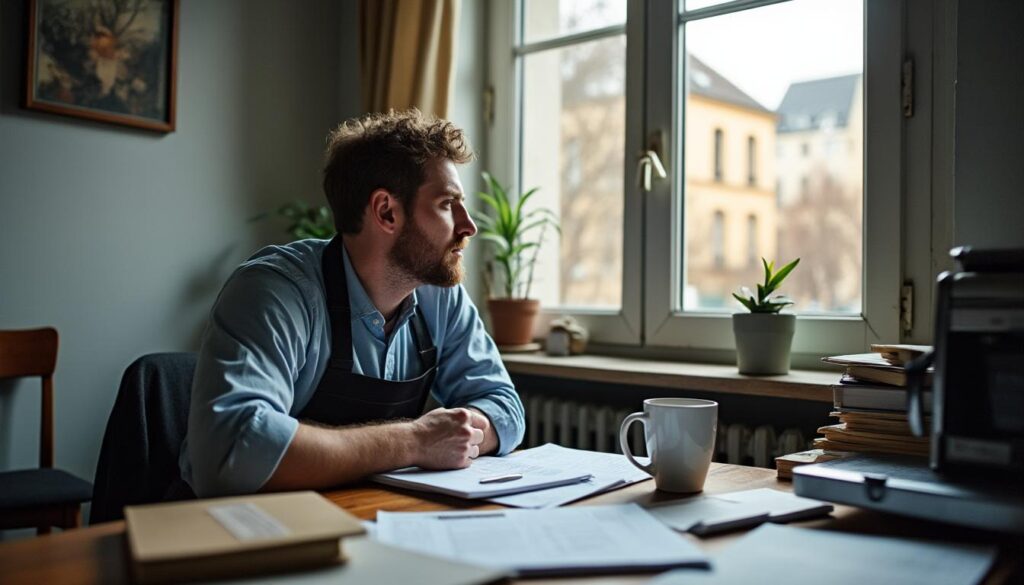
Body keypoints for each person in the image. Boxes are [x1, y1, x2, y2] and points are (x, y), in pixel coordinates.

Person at [179, 109, 525, 497]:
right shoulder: (274, 291)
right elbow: (233, 450)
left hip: (366, 513)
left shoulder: (439, 294)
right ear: (386, 211)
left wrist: (460, 429)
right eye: (447, 204)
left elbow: (504, 406)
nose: (468, 226)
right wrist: (414, 442)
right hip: (249, 528)